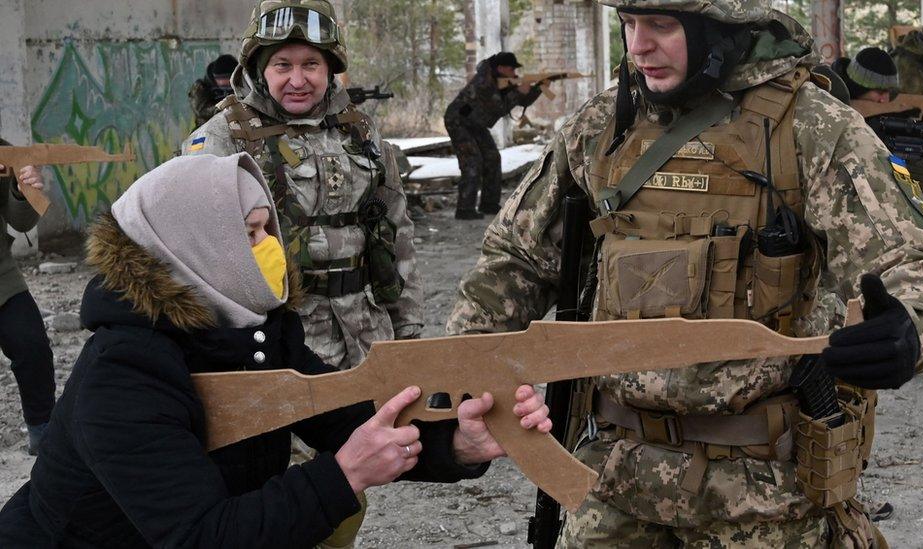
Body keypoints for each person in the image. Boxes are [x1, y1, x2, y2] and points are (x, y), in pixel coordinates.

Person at [448, 1, 923, 547]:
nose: (637, 46)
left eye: (661, 26)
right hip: (611, 482)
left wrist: (911, 328)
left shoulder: (811, 127)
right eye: (629, 24)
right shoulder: (605, 124)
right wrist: (462, 365)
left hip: (765, 497)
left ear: (721, 29)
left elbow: (922, 264)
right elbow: (516, 258)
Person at [0, 153, 552, 548]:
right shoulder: (124, 371)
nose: (269, 249)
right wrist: (343, 476)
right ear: (194, 248)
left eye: (268, 229)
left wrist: (457, 443)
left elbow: (346, 417)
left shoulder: (258, 329)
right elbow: (198, 535)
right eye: (249, 233)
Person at [183, 0, 422, 370]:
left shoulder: (360, 130)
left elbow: (397, 230)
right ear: (260, 70)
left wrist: (408, 328)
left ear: (330, 68)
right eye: (283, 65)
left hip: (369, 337)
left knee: (383, 426)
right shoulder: (221, 138)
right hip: (281, 344)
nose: (297, 80)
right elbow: (197, 254)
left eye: (310, 64)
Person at [0, 141, 55, 455]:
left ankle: (43, 431)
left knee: (32, 347)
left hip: (2, 277)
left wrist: (23, 189)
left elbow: (21, 222)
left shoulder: (5, 151)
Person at [444, 52, 543, 220]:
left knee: (492, 158)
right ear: (501, 68)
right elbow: (500, 108)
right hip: (459, 120)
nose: (514, 73)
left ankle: (489, 204)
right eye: (512, 69)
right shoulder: (484, 82)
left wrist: (538, 88)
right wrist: (519, 90)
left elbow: (522, 101)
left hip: (475, 123)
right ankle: (464, 209)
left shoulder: (502, 80)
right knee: (473, 161)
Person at [835, 47, 923, 206]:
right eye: (879, 92)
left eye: (889, 91)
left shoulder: (892, 110)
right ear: (858, 88)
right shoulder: (832, 106)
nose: (886, 99)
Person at [188, 54, 239, 128]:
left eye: (227, 79)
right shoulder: (201, 87)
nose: (223, 83)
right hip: (207, 128)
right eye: (220, 79)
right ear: (214, 77)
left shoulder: (242, 84)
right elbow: (201, 110)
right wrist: (222, 108)